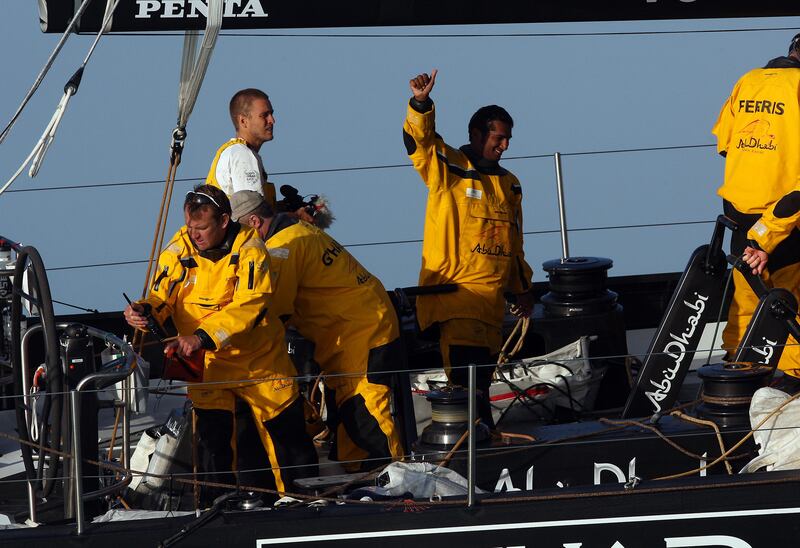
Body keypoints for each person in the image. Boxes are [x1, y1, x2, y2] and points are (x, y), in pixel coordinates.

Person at [124, 184, 317, 499]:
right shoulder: (179, 249)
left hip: (259, 362)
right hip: (209, 367)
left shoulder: (251, 250)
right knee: (214, 447)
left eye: (201, 228)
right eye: (190, 227)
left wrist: (201, 337)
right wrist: (145, 311)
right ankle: (219, 508)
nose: (194, 235)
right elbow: (162, 298)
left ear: (225, 220)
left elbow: (250, 304)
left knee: (289, 440)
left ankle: (304, 503)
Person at [230, 189, 404, 471]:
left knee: (366, 410)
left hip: (359, 332)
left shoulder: (280, 251)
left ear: (253, 223)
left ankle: (397, 481)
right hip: (361, 324)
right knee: (347, 410)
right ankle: (359, 477)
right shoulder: (301, 229)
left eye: (239, 234)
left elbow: (274, 312)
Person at [403, 70, 535, 427]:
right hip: (457, 301)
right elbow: (419, 141)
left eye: (508, 139)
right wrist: (421, 103)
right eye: (498, 137)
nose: (504, 145)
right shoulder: (448, 168)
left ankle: (481, 449)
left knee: (481, 387)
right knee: (467, 389)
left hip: (491, 308)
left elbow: (514, 244)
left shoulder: (511, 186)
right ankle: (474, 455)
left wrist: (523, 290)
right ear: (476, 134)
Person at [712, 33, 800, 391]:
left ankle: (735, 376)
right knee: (791, 298)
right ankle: (794, 381)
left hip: (739, 213)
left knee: (745, 300)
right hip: (786, 216)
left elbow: (724, 144)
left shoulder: (747, 80)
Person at [206, 88, 278, 207]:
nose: (272, 120)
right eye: (264, 115)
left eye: (271, 114)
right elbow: (254, 214)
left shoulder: (233, 151)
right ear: (243, 121)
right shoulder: (242, 154)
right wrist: (293, 217)